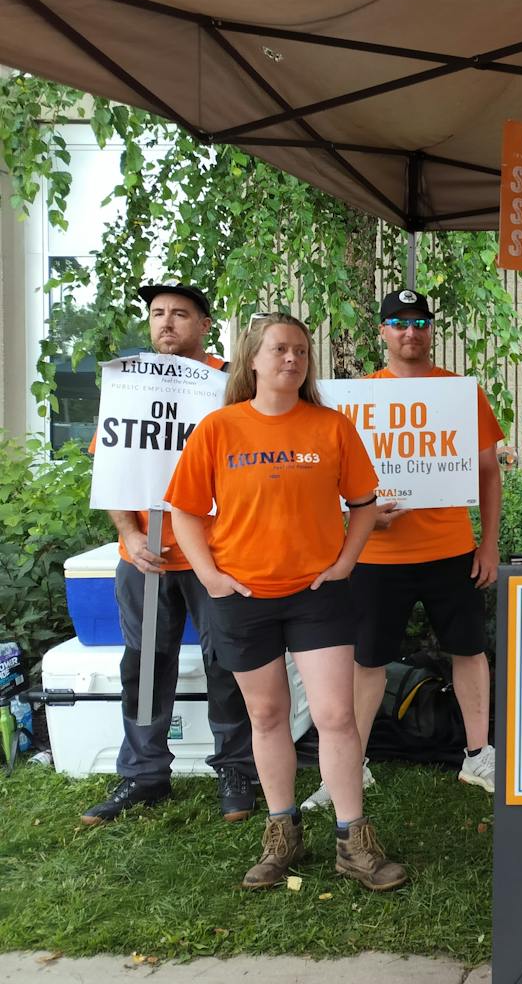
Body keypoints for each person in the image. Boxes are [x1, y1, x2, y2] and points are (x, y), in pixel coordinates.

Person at [167, 312, 406, 891]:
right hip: (242, 595)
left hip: (316, 595)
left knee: (336, 716)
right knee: (267, 716)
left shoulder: (331, 426)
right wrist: (211, 577)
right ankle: (282, 834)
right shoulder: (220, 429)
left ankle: (354, 841)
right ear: (253, 359)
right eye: (279, 350)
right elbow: (186, 512)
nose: (292, 360)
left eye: (300, 351)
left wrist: (346, 562)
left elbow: (364, 503)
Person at [303, 289, 504, 809]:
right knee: (366, 661)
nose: (409, 331)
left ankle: (478, 755)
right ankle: (351, 766)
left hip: (450, 548)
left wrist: (489, 544)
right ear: (383, 333)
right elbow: (330, 479)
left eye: (419, 322)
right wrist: (359, 516)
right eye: (398, 322)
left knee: (469, 650)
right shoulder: (357, 399)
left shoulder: (460, 393)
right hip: (377, 556)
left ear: (431, 330)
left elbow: (487, 471)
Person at [82, 284, 258, 826]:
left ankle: (235, 769)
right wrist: (128, 535)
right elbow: (110, 467)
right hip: (146, 556)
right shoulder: (129, 384)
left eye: (180, 314)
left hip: (216, 555)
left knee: (227, 663)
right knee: (144, 664)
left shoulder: (230, 386)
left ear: (205, 324)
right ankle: (143, 772)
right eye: (158, 314)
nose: (166, 323)